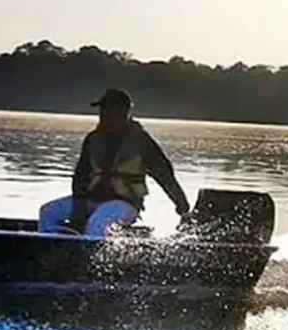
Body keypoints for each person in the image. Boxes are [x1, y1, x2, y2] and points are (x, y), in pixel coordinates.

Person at [38, 88, 191, 237]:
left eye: (108, 109)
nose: (102, 114)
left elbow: (164, 175)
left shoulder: (141, 141)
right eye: (102, 109)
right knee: (47, 212)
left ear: (123, 112)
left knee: (97, 222)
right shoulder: (92, 139)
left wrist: (182, 206)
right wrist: (80, 206)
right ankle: (55, 249)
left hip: (125, 203)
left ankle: (87, 258)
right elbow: (80, 176)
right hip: (90, 200)